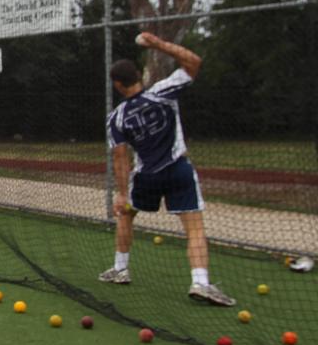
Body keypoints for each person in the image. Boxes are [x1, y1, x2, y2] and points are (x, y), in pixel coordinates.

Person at [99, 32, 234, 306]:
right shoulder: (163, 91)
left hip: (146, 176)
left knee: (126, 215)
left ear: (117, 84)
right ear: (138, 75)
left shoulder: (117, 118)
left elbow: (120, 158)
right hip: (178, 170)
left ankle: (120, 269)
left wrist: (122, 194)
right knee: (194, 228)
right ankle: (200, 282)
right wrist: (158, 44)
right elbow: (194, 61)